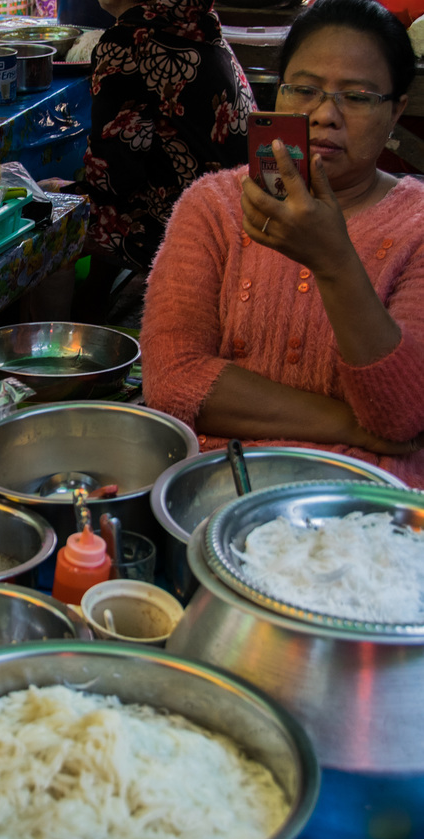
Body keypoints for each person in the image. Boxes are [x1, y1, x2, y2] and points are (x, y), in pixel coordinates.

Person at [140, 0, 424, 489]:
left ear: (396, 109)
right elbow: (172, 382)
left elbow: (400, 415)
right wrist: (351, 424)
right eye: (305, 90)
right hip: (221, 484)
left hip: (365, 500)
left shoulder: (418, 225)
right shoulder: (214, 205)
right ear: (279, 94)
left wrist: (334, 261)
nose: (324, 115)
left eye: (356, 97)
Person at [70, 0, 255, 322]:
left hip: (191, 225)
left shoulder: (130, 40)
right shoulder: (194, 19)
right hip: (235, 211)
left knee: (54, 213)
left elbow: (113, 177)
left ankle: (67, 336)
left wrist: (61, 188)